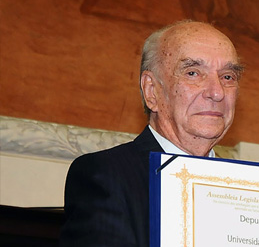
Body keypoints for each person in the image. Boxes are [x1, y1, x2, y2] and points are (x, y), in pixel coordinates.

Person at [60, 20, 244, 246]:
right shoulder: (106, 177)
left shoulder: (248, 189)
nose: (216, 92)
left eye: (228, 77)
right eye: (193, 73)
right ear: (152, 91)